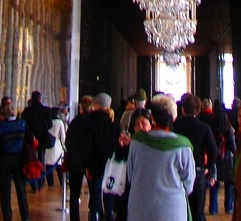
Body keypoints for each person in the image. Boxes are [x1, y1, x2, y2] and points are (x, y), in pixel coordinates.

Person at [127, 93, 195, 221]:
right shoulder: (183, 146)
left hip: (140, 207)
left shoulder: (137, 142)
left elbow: (131, 175)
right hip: (172, 209)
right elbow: (189, 184)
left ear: (152, 117)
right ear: (174, 118)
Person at [174, 93, 218, 221]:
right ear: (198, 110)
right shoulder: (204, 128)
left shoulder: (175, 126)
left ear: (182, 109)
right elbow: (213, 151)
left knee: (180, 210)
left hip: (177, 171)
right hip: (197, 170)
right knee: (198, 211)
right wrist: (208, 167)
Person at [0, 100, 33, 221]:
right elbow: (30, 139)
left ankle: (7, 217)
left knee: (5, 191)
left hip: (5, 159)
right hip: (19, 159)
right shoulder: (22, 124)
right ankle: (25, 217)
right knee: (21, 189)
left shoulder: (0, 127)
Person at [85, 92, 120, 221]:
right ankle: (109, 212)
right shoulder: (114, 123)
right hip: (110, 161)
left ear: (98, 105)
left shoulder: (91, 121)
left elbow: (88, 144)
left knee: (95, 188)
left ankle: (94, 214)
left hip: (95, 161)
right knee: (108, 188)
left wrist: (87, 164)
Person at [66, 96, 94, 221]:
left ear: (81, 107)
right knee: (94, 192)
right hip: (91, 162)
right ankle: (94, 215)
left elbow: (68, 142)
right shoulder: (94, 122)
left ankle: (74, 218)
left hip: (75, 161)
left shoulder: (74, 122)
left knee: (74, 193)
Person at [209, 99, 237, 216]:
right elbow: (232, 146)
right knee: (229, 184)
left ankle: (213, 209)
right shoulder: (229, 130)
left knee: (214, 185)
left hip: (215, 159)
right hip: (227, 159)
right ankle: (228, 207)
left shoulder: (211, 128)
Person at [22, 91, 53, 188]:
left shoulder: (26, 111)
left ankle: (33, 182)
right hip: (42, 138)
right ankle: (41, 180)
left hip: (30, 138)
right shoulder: (46, 110)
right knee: (41, 159)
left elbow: (24, 125)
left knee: (31, 159)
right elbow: (50, 125)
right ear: (40, 99)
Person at [43, 107, 67, 187]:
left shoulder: (46, 122)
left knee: (48, 165)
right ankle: (62, 182)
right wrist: (65, 147)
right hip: (57, 145)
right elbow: (63, 137)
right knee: (59, 165)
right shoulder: (59, 122)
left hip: (47, 146)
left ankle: (50, 183)